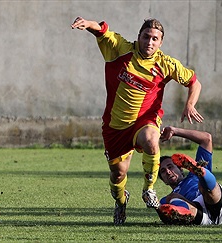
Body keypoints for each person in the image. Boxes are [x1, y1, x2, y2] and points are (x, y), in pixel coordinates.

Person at [71, 17, 204, 225]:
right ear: (138, 37)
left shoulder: (166, 64)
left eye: (154, 39)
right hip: (116, 126)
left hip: (145, 121)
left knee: (152, 140)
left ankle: (148, 189)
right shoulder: (121, 50)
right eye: (146, 37)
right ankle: (121, 201)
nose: (149, 42)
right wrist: (89, 24)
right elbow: (103, 32)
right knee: (117, 175)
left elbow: (194, 83)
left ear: (161, 43)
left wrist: (190, 105)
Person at [156, 126, 222, 225]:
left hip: (218, 202)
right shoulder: (167, 199)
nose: (168, 171)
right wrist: (156, 206)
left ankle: (201, 171)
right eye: (163, 171)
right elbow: (166, 218)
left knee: (202, 184)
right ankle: (184, 212)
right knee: (170, 199)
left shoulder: (192, 176)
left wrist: (175, 131)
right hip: (200, 216)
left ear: (180, 168)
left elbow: (206, 139)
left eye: (170, 166)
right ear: (163, 180)